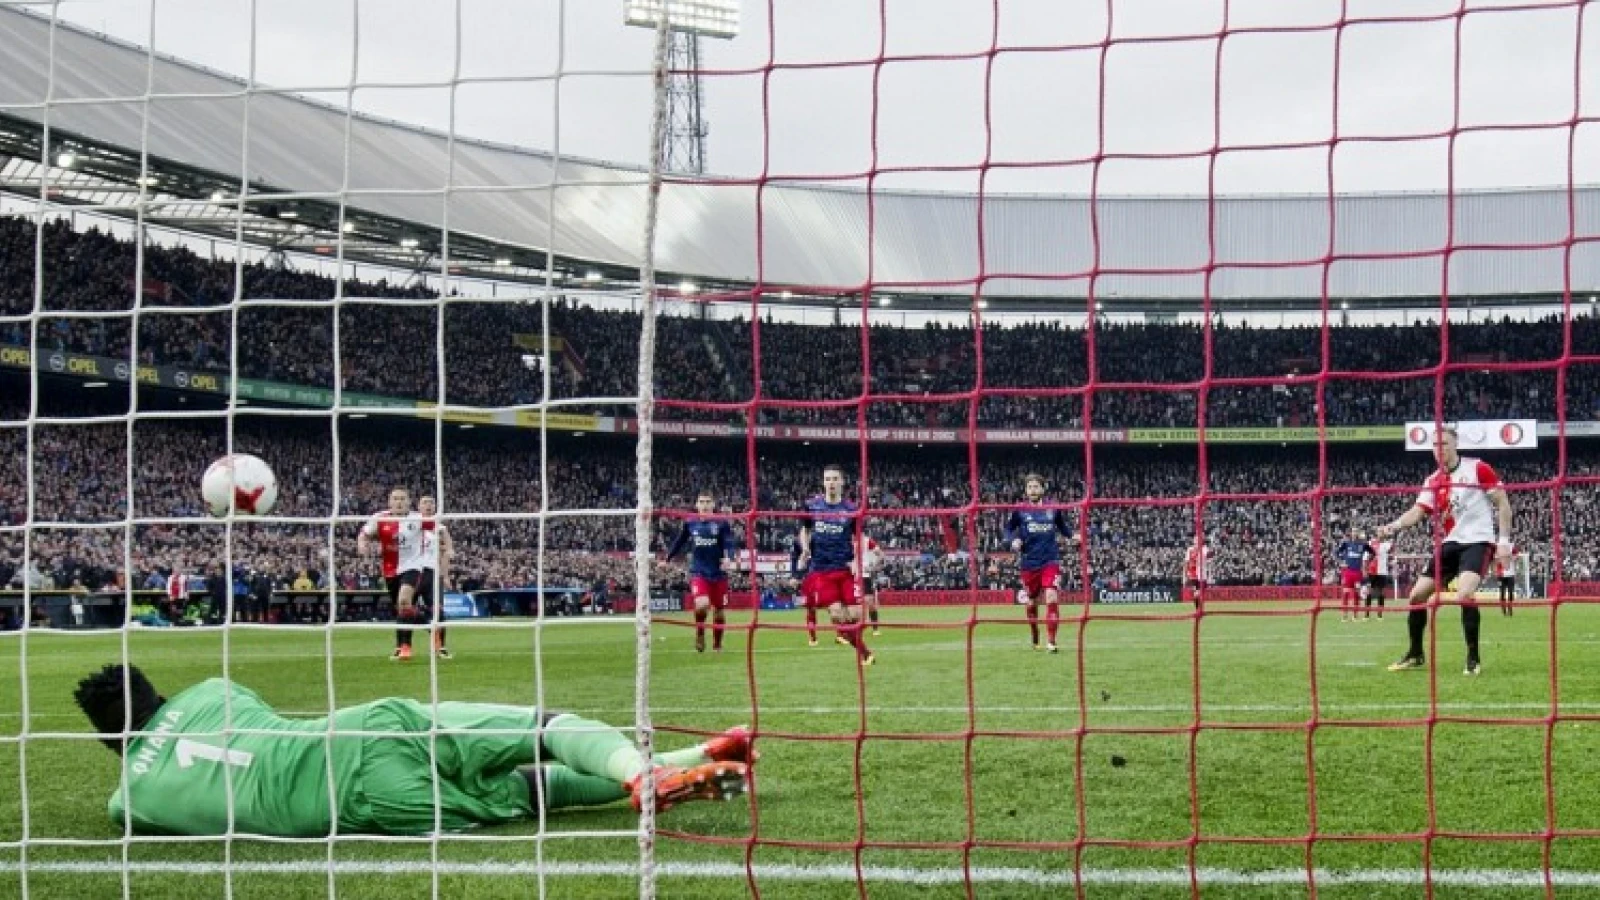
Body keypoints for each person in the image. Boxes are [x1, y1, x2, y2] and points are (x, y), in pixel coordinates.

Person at [73, 664, 752, 837]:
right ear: (157, 694)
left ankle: (683, 762)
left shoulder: (128, 801)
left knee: (526, 790)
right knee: (542, 726)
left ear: (109, 739)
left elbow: (128, 799)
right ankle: (654, 768)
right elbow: (260, 715)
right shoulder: (210, 691)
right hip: (366, 730)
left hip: (372, 804)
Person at [1375, 425, 1513, 676]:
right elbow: (1417, 513)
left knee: (1464, 594)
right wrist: (1393, 526)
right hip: (1451, 543)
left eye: (1445, 444)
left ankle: (1473, 658)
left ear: (1455, 445)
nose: (1440, 450)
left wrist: (1504, 541)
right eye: (1435, 446)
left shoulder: (1478, 468)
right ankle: (1416, 654)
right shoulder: (1432, 481)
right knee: (1416, 596)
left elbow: (1502, 502)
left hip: (1479, 541)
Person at [798, 464, 873, 666]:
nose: (831, 483)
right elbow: (804, 530)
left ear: (841, 482)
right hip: (821, 570)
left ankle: (845, 634)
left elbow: (858, 537)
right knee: (838, 614)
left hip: (845, 568)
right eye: (827, 479)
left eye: (834, 479)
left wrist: (858, 560)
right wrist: (805, 548)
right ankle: (865, 653)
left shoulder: (851, 509)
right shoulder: (811, 506)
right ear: (823, 482)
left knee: (856, 615)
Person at [1001, 473, 1073, 652]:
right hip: (1029, 563)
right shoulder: (1020, 510)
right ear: (1026, 490)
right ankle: (1035, 633)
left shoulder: (1053, 508)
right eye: (1029, 487)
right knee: (1031, 602)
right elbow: (1008, 529)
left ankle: (1052, 642)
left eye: (1035, 487)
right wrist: (1013, 540)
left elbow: (1063, 528)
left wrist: (1073, 536)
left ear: (1042, 488)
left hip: (1050, 560)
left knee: (1051, 596)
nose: (1032, 490)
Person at [358, 488, 429, 662]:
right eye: (395, 499)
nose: (399, 502)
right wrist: (362, 545)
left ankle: (405, 648)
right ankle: (426, 622)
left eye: (402, 499)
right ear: (389, 502)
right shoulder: (379, 518)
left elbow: (441, 529)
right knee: (401, 609)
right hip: (390, 569)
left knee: (404, 601)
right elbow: (364, 534)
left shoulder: (418, 519)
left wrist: (447, 547)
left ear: (408, 502)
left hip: (413, 566)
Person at [664, 491, 737, 653]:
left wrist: (729, 558)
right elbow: (679, 541)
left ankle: (717, 644)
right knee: (702, 604)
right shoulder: (690, 522)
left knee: (719, 611)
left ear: (713, 505)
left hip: (718, 573)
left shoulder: (721, 523)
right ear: (696, 505)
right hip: (699, 572)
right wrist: (667, 558)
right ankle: (700, 632)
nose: (704, 505)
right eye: (701, 502)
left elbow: (729, 543)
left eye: (707, 502)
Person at [417, 496, 455, 658]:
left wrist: (445, 576)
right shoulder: (411, 523)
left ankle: (441, 647)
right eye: (425, 503)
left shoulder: (440, 527)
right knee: (406, 609)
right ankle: (403, 645)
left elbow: (447, 551)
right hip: (413, 573)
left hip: (433, 574)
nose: (429, 506)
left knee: (438, 611)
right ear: (418, 506)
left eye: (431, 503)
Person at [1334, 528, 1373, 623]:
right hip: (1348, 572)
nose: (1355, 533)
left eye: (1356, 531)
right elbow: (1336, 553)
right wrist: (1341, 562)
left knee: (1356, 595)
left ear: (1358, 533)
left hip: (1358, 573)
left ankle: (1355, 616)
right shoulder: (1346, 543)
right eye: (1353, 531)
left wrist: (1367, 563)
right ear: (1351, 533)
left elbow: (1373, 553)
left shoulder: (1363, 544)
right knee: (1345, 594)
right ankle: (1344, 616)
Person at [860, 535, 885, 637]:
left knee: (870, 602)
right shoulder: (844, 539)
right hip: (850, 575)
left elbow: (881, 555)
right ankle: (846, 632)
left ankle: (875, 628)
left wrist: (873, 567)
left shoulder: (866, 541)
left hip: (865, 576)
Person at [1364, 534, 1393, 621]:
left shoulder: (1386, 544)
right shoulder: (1370, 543)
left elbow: (1392, 548)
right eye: (1380, 532)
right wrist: (1365, 570)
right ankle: (1367, 615)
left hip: (1382, 572)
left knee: (1381, 593)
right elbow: (1365, 558)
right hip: (1371, 572)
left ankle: (1379, 615)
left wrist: (1390, 534)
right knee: (1369, 593)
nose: (1381, 534)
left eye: (1382, 532)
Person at [1183, 537, 1209, 612]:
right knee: (1196, 594)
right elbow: (1186, 562)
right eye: (1196, 540)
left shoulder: (1204, 548)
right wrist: (1185, 575)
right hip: (1193, 575)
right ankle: (1198, 609)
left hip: (1202, 575)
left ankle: (1199, 609)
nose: (1197, 542)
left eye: (1199, 540)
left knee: (1199, 594)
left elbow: (1207, 555)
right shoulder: (1190, 549)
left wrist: (1210, 553)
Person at [1495, 541, 1517, 616]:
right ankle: (1503, 611)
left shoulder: (1512, 546)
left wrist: (1508, 555)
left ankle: (1510, 609)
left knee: (1511, 592)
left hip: (1510, 575)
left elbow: (1515, 558)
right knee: (1502, 593)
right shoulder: (1497, 546)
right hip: (1501, 575)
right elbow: (1496, 560)